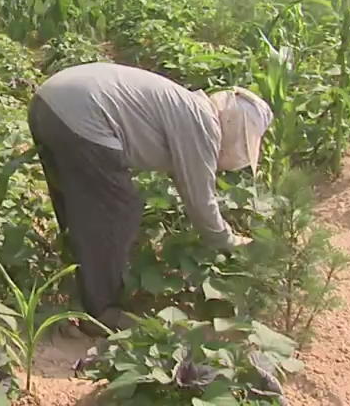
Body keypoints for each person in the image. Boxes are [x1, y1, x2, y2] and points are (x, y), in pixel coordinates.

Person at [27, 63, 273, 335]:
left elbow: (185, 182)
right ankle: (102, 312)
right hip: (83, 115)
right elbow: (200, 201)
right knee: (119, 209)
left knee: (78, 202)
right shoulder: (204, 123)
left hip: (48, 102)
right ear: (235, 126)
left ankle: (78, 281)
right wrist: (230, 242)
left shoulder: (185, 107)